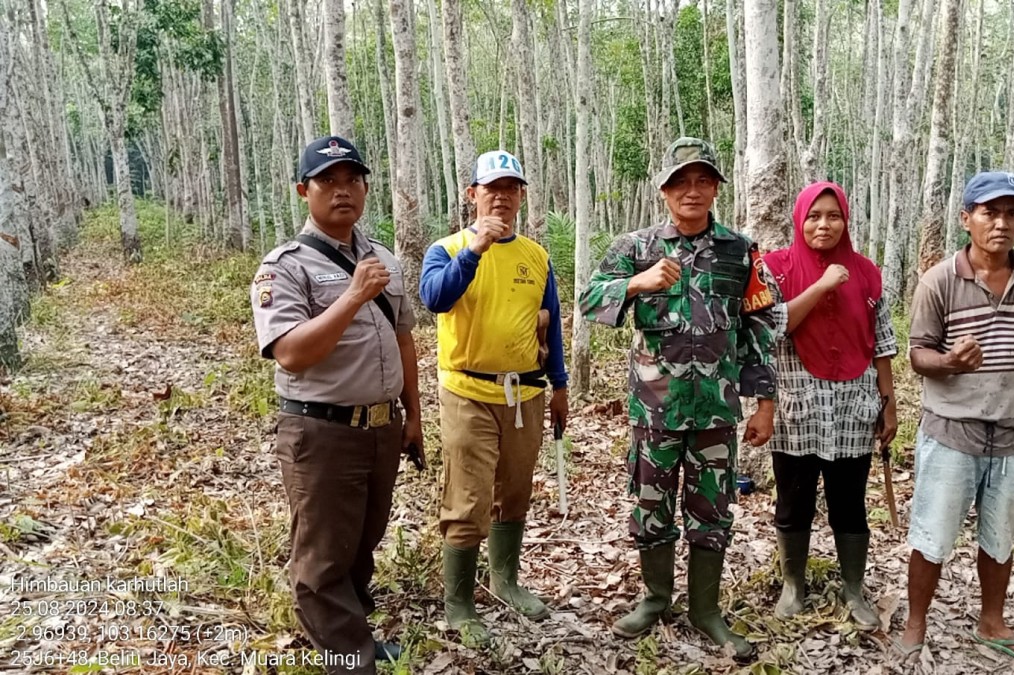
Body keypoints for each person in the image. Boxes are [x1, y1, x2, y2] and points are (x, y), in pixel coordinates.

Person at [579, 137, 781, 661]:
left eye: (702, 180)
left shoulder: (741, 250)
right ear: (664, 189)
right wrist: (637, 284)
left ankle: (706, 610)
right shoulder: (637, 247)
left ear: (716, 187)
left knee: (711, 511)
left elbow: (758, 327)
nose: (692, 191)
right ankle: (655, 599)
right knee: (651, 506)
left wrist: (764, 401)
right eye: (680, 182)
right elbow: (589, 298)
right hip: (655, 409)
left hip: (716, 410)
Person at [251, 136, 424, 673]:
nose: (342, 191)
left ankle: (353, 633)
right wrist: (351, 296)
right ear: (305, 191)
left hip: (380, 426)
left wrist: (412, 415)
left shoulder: (384, 260)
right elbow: (291, 354)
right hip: (321, 430)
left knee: (364, 537)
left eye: (353, 180)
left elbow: (402, 340)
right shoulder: (285, 265)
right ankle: (349, 657)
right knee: (323, 551)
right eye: (328, 181)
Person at [894, 171, 1014, 665]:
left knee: (1001, 531)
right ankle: (915, 622)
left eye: (1011, 213)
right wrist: (948, 362)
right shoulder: (940, 281)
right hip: (953, 431)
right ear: (966, 218)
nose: (1002, 223)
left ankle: (992, 621)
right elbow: (917, 354)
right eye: (990, 212)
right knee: (933, 533)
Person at [419, 150, 569, 648]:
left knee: (516, 489)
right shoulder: (447, 248)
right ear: (473, 194)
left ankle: (505, 581)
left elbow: (551, 324)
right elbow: (435, 298)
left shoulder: (537, 256)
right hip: (467, 389)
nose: (502, 196)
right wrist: (475, 250)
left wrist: (560, 385)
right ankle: (459, 604)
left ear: (522, 195)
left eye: (512, 188)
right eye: (492, 188)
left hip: (525, 390)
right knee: (469, 495)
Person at [760, 182, 897, 630]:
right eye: (814, 215)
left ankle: (853, 588)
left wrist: (888, 404)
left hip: (854, 405)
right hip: (797, 405)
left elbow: (882, 342)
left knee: (850, 502)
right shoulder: (774, 268)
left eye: (833, 216)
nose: (824, 224)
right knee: (793, 498)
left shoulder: (867, 271)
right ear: (800, 218)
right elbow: (772, 327)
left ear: (846, 220)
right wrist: (821, 285)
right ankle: (793, 585)